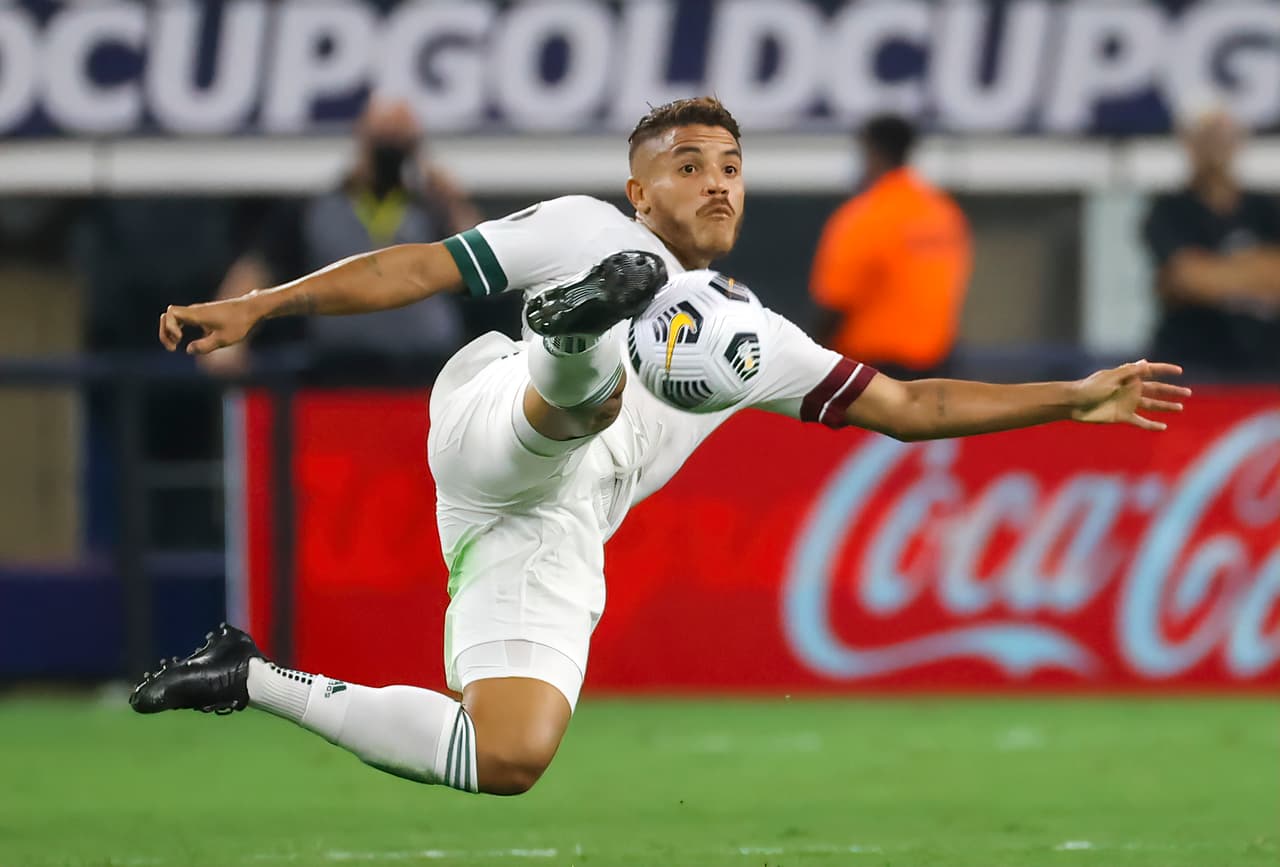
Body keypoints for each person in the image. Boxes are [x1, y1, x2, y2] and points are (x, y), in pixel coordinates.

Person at [133, 98, 1188, 796]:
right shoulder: (579, 222)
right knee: (577, 401)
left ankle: (247, 678)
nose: (716, 181)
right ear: (639, 192)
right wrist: (259, 309)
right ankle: (579, 334)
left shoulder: (756, 341)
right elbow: (413, 269)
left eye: (729, 165)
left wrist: (1071, 398)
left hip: (543, 529)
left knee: (505, 756)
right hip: (496, 416)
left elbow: (912, 408)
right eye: (686, 166)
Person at [200, 97, 484, 380]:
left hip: (428, 373)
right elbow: (258, 268)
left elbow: (483, 264)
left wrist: (451, 199)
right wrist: (227, 336)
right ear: (362, 135)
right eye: (384, 133)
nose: (392, 145)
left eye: (402, 136)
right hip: (340, 375)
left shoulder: (431, 208)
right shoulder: (318, 208)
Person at [809, 114, 970, 379]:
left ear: (872, 153)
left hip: (872, 375)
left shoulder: (864, 216)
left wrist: (812, 363)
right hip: (938, 370)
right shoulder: (946, 214)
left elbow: (834, 304)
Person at [1142, 105, 1280, 380]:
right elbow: (1189, 277)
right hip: (1192, 366)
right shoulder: (1170, 209)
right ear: (1188, 144)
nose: (1214, 146)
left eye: (1221, 135)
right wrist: (1256, 270)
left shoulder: (1266, 208)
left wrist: (1216, 272)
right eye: (1205, 136)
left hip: (1264, 368)